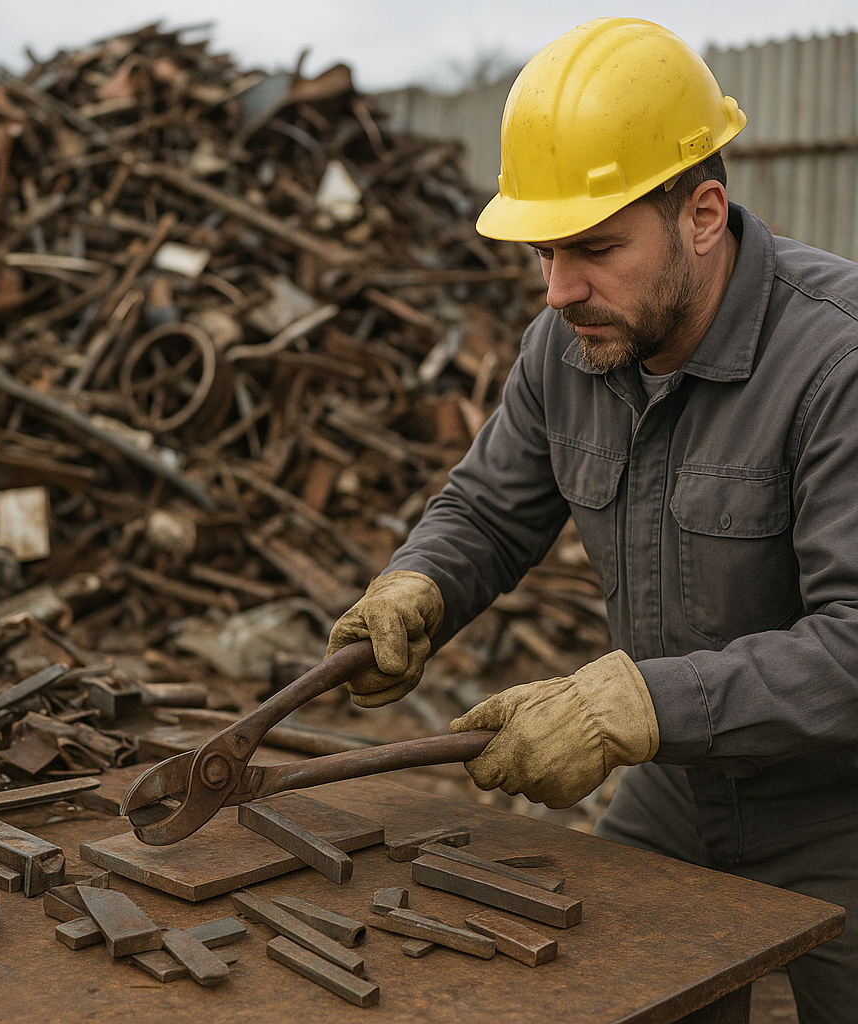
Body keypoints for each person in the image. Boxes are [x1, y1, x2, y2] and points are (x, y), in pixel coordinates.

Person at [326, 17, 858, 1023]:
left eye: (595, 248)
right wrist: (418, 583)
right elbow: (487, 505)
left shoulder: (837, 364)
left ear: (703, 213)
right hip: (675, 791)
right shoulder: (564, 346)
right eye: (543, 252)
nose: (559, 289)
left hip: (839, 810)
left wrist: (631, 706)